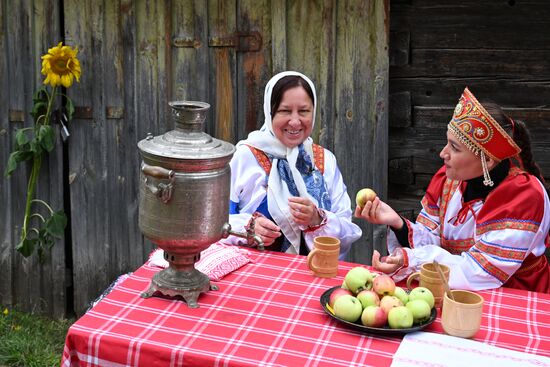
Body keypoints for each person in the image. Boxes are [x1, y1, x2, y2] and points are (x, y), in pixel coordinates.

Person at [355, 87, 550, 293]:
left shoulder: (522, 197)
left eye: (454, 147)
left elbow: (478, 271)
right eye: (447, 142)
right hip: (453, 290)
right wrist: (397, 222)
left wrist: (413, 259)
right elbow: (434, 241)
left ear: (488, 160)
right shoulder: (450, 180)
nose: (442, 153)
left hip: (515, 298)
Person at [225, 71, 361, 259]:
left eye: (304, 111)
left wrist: (318, 219)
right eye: (285, 111)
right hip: (250, 277)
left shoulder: (324, 161)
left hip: (312, 276)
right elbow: (212, 226)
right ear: (269, 111)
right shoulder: (245, 157)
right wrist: (248, 228)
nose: (295, 121)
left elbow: (348, 232)